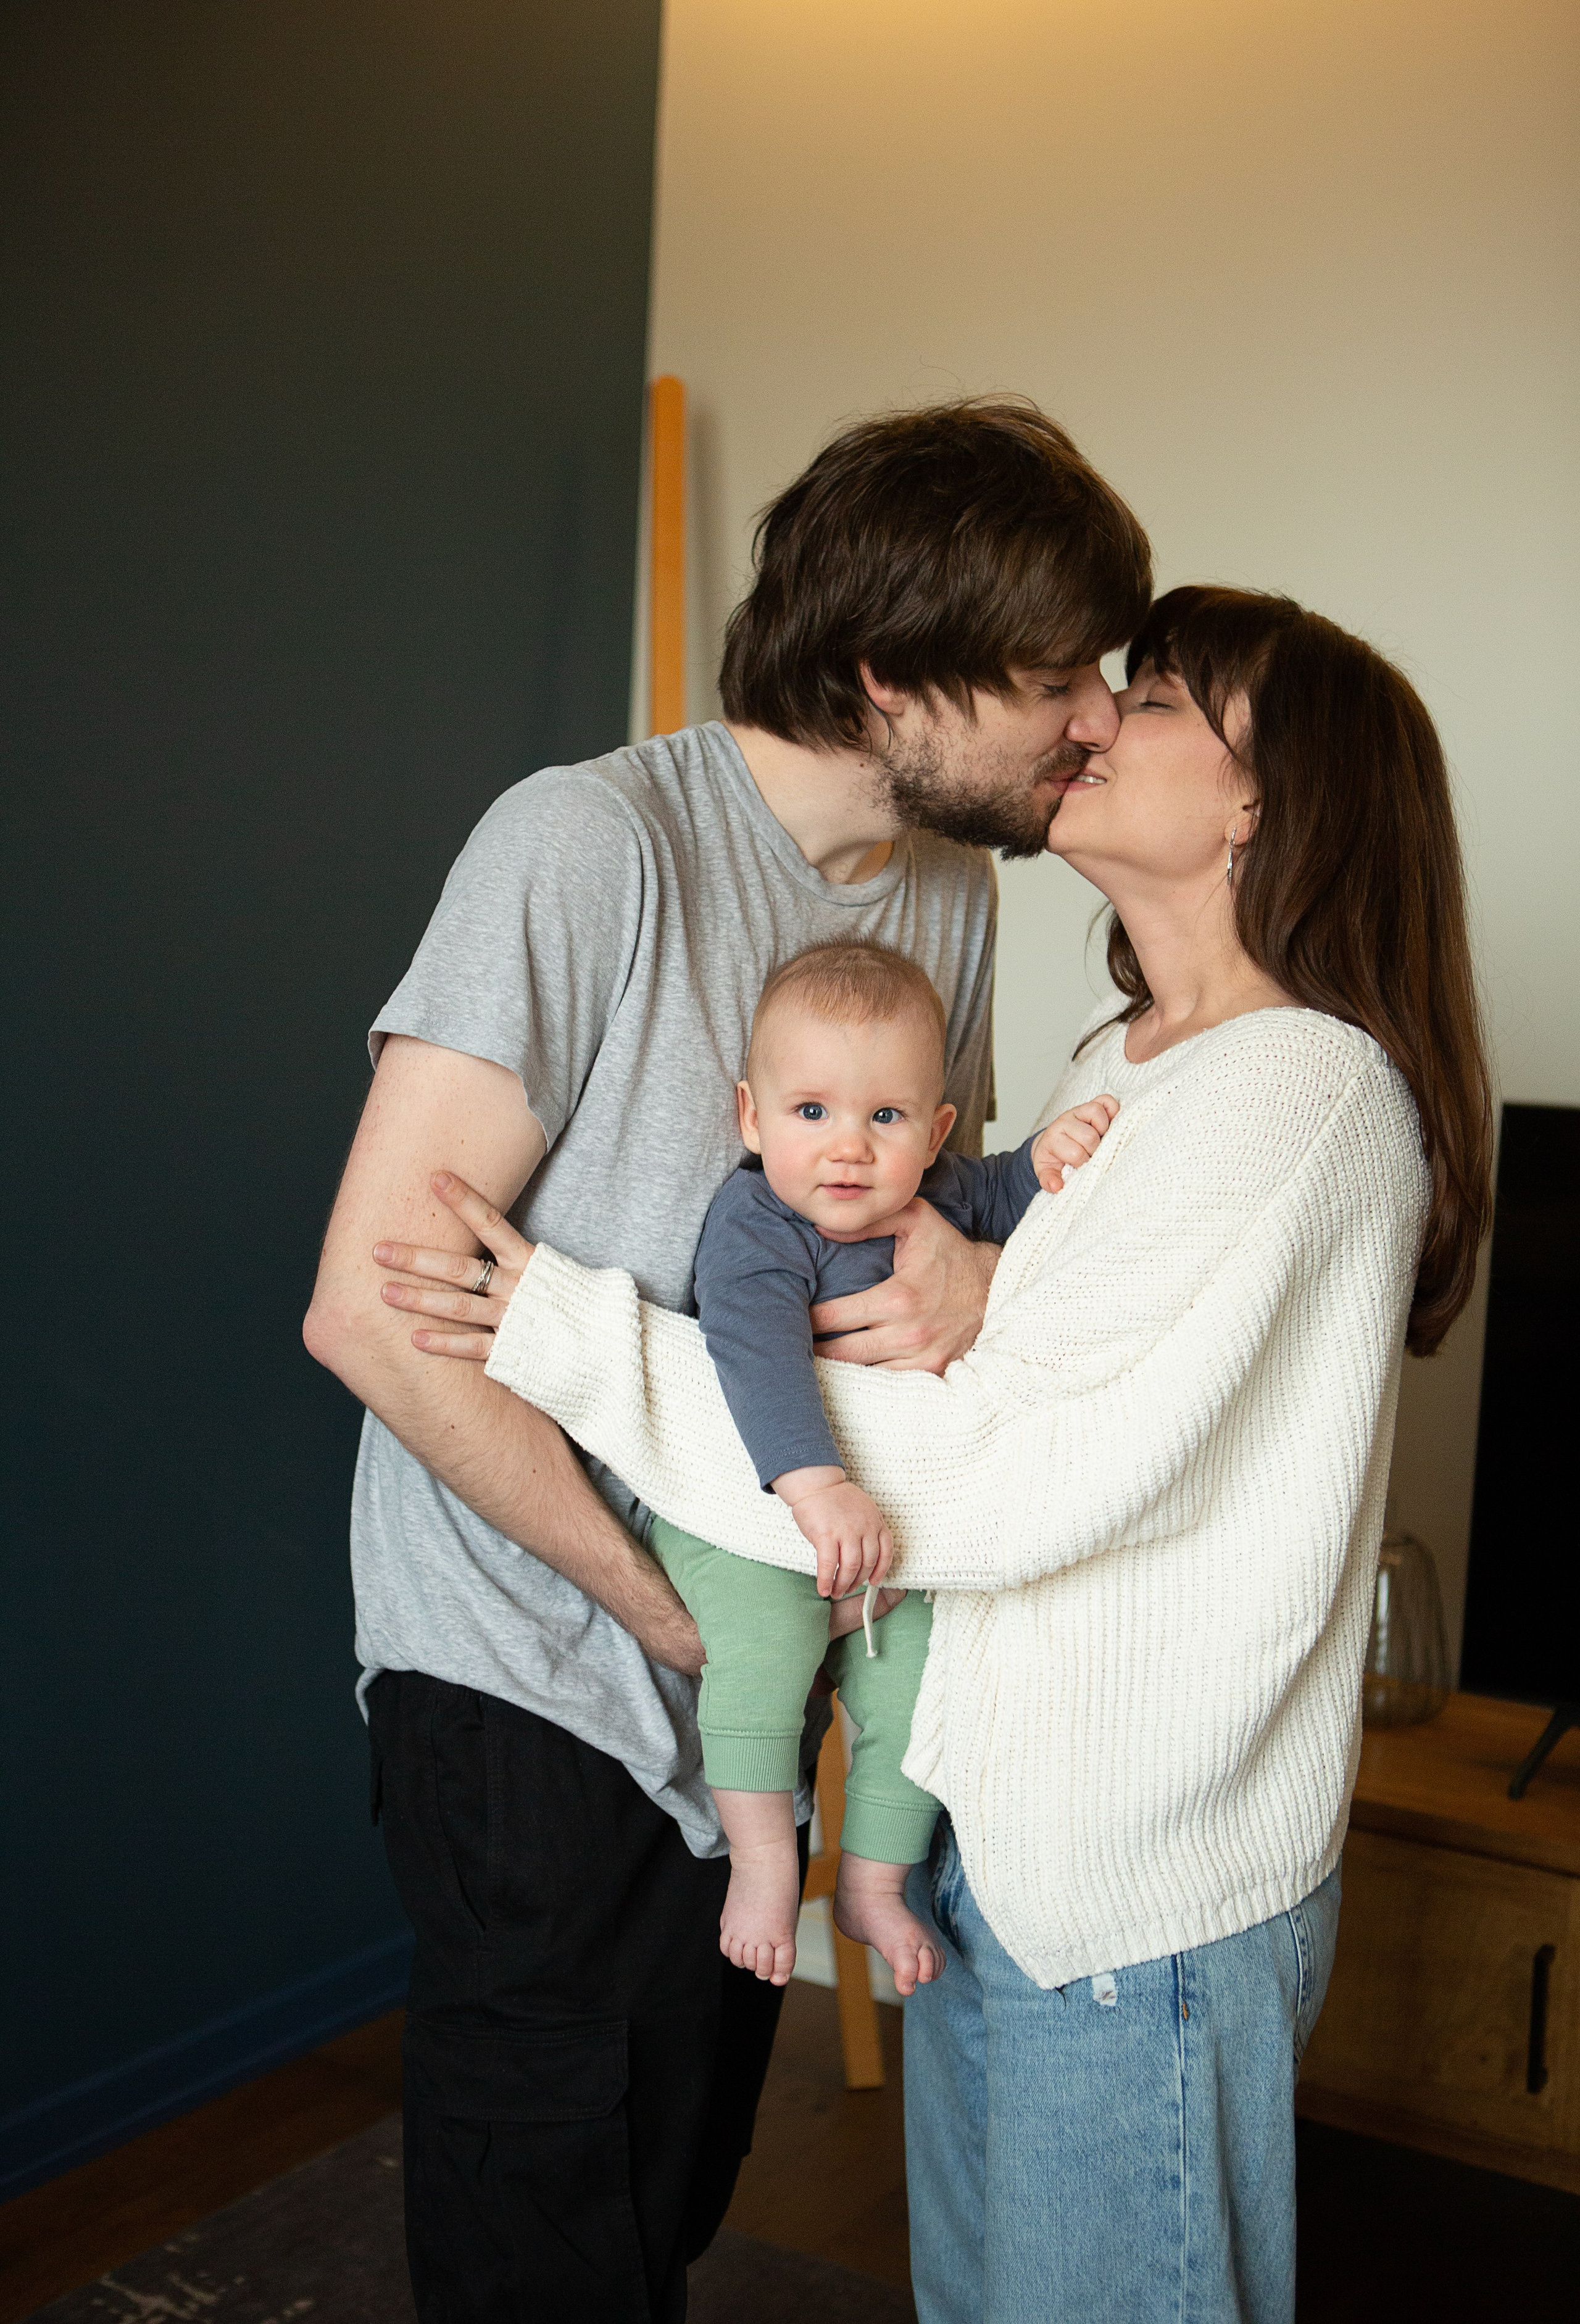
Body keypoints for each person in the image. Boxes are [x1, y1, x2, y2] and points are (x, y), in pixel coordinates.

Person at [378, 584, 1493, 2324]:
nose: (1094, 716)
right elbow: (988, 1333)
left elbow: (1003, 1468)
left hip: (1135, 1886)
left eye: (1160, 696)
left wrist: (570, 1334)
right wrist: (969, 1272)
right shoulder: (1116, 1064)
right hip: (1001, 1840)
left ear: (1259, 801)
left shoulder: (1302, 1091)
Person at [303, 394, 1150, 2322]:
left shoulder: (943, 888)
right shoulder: (587, 843)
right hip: (528, 1654)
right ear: (887, 674)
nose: (1091, 713)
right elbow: (368, 1300)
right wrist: (652, 1604)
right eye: (1049, 671)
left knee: (670, 2191)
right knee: (549, 2243)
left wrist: (969, 1274)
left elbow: (926, 1230)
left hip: (748, 1678)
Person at [659, 936, 1116, 1994]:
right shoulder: (757, 1221)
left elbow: (1014, 1196)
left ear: (937, 1132)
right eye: (810, 1111)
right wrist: (815, 1488)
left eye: (887, 1117)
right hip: (742, 1508)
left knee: (923, 1689)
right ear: (751, 1118)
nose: (848, 1149)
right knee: (768, 1644)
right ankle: (767, 1858)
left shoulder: (946, 1192)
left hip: (885, 1534)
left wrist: (1056, 1155)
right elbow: (757, 1356)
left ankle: (873, 1879)